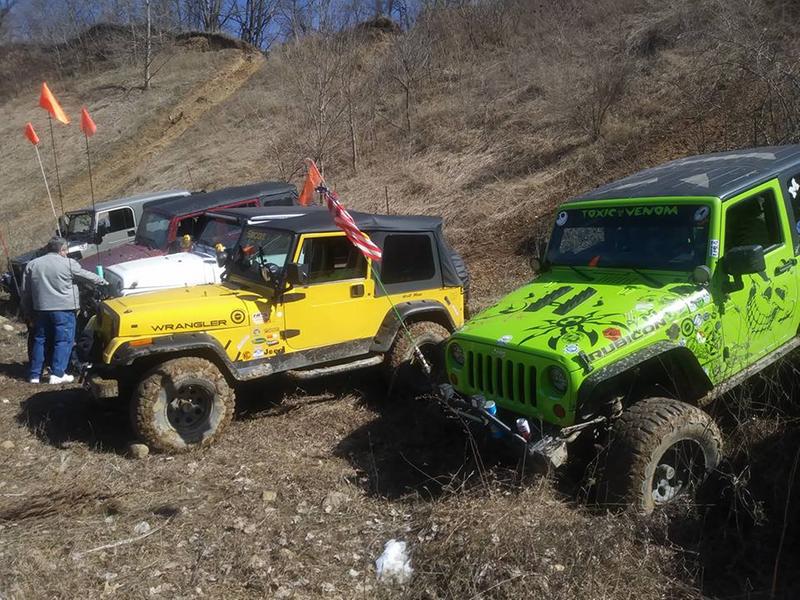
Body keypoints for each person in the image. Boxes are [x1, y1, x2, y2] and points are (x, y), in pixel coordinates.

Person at [21, 237, 106, 384]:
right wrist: (102, 281)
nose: (67, 253)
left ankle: (35, 375)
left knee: (39, 340)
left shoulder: (32, 265)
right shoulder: (68, 263)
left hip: (40, 309)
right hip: (63, 309)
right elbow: (86, 276)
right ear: (62, 250)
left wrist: (28, 312)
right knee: (63, 340)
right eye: (66, 250)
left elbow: (25, 292)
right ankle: (58, 373)